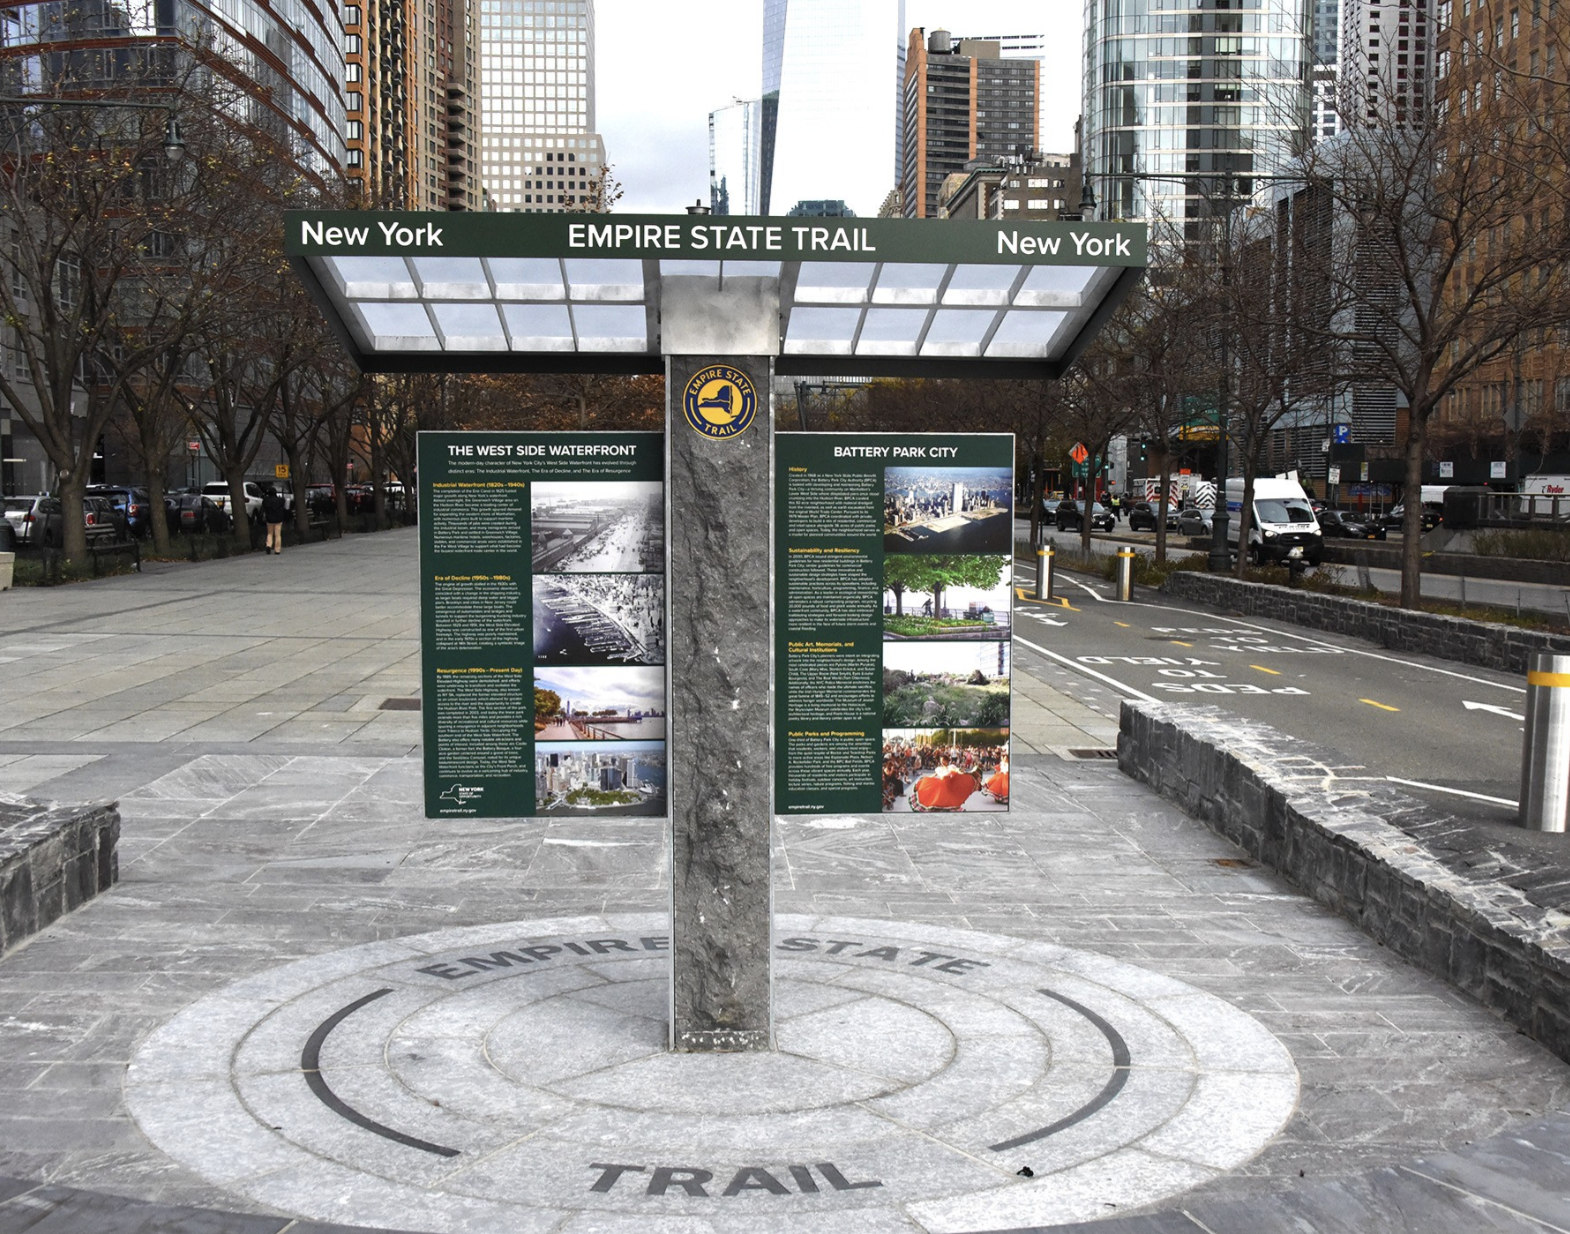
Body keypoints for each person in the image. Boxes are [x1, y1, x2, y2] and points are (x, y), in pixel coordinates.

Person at [261, 487, 288, 556]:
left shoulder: (266, 500)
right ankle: (277, 549)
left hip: (269, 520)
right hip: (278, 520)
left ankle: (268, 545)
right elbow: (283, 501)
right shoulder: (279, 500)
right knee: (277, 535)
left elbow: (263, 505)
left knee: (269, 533)